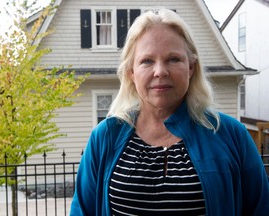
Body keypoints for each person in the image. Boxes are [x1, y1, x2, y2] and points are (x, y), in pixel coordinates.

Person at [70, 9, 269, 215]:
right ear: (131, 72)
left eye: (173, 59)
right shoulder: (105, 138)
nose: (160, 71)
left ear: (191, 67)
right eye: (147, 61)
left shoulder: (231, 136)